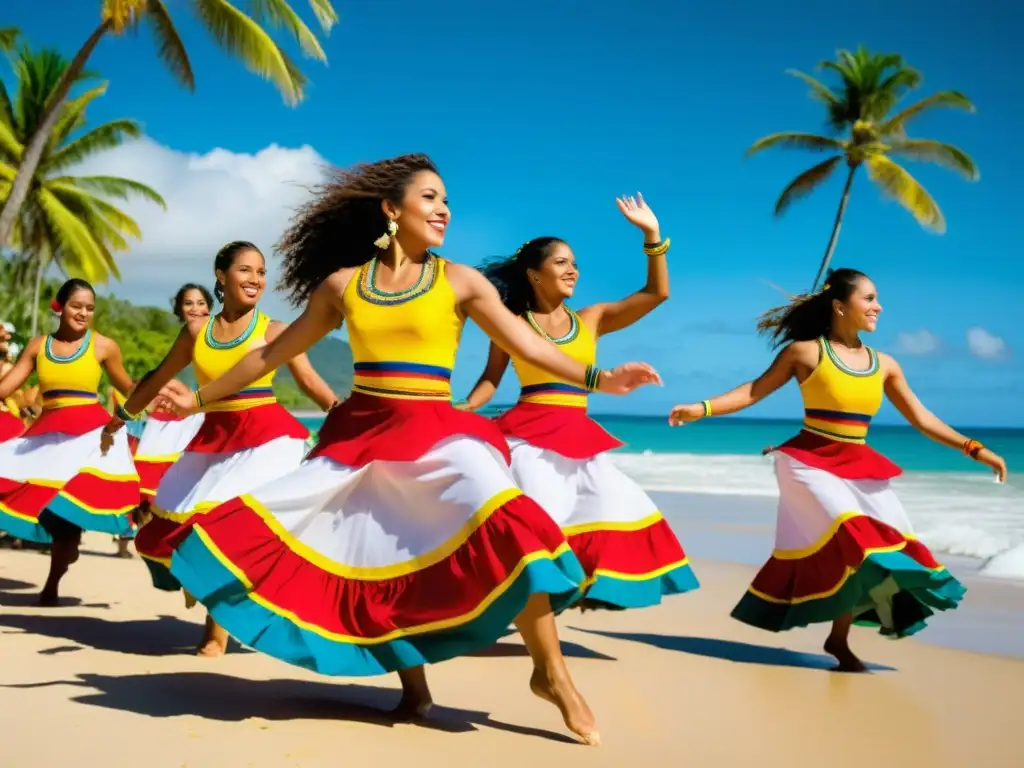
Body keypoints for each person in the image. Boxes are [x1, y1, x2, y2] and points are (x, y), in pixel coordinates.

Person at [155, 153, 660, 744]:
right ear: (392, 210)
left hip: (440, 434)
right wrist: (199, 399)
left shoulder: (460, 281)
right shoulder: (343, 286)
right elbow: (269, 355)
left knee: (511, 525)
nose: (443, 209)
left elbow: (526, 340)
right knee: (371, 556)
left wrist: (601, 380)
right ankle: (414, 689)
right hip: (361, 438)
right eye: (429, 198)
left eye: (447, 200)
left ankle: (552, 674)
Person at [667, 267, 1007, 671]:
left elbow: (922, 419)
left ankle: (837, 639)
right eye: (869, 298)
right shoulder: (805, 352)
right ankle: (835, 635)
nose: (878, 306)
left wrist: (974, 448)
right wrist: (700, 408)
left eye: (877, 298)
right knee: (854, 536)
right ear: (839, 306)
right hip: (808, 464)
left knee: (882, 546)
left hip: (859, 466)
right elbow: (752, 392)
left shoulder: (885, 364)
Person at [462, 194, 697, 610]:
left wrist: (652, 235)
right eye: (561, 263)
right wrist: (463, 409)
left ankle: (588, 590)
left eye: (575, 263)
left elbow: (657, 293)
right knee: (543, 521)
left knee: (617, 503)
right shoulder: (512, 324)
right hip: (529, 438)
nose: (573, 270)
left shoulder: (593, 318)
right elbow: (489, 379)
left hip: (579, 435)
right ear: (534, 275)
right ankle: (521, 603)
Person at [103, 242, 337, 657]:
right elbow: (158, 377)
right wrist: (121, 417)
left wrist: (342, 414)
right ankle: (203, 588)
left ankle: (216, 633)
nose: (255, 279)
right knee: (166, 528)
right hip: (213, 438)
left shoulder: (275, 331)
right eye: (245, 270)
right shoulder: (197, 331)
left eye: (262, 272)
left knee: (222, 521)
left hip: (267, 438)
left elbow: (310, 382)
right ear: (221, 275)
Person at [0, 279, 140, 604]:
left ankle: (52, 582)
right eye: (77, 306)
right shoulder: (38, 346)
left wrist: (155, 392)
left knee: (66, 511)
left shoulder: (104, 346)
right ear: (60, 306)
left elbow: (130, 388)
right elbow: (5, 388)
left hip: (89, 440)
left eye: (90, 308)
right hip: (47, 440)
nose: (83, 313)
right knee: (49, 512)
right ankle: (57, 570)